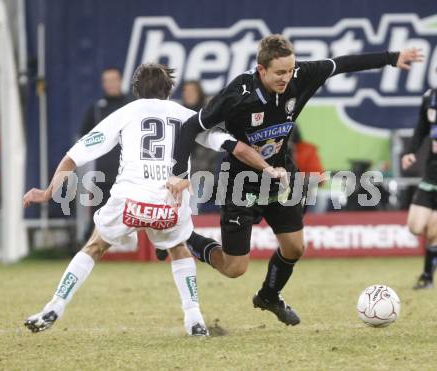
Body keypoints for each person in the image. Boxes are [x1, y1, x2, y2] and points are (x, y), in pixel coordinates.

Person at [169, 34, 423, 326]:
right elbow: (191, 127)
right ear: (260, 69)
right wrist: (179, 174)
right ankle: (185, 238)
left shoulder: (300, 76)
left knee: (295, 248)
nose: (286, 78)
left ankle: (268, 296)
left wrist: (391, 58)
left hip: (280, 178)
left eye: (289, 70)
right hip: (240, 185)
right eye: (279, 72)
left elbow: (342, 64)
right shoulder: (238, 93)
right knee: (234, 268)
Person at [23, 64, 218, 336]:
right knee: (179, 249)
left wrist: (46, 192)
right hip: (170, 202)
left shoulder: (125, 113)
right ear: (169, 89)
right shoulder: (187, 115)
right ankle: (194, 319)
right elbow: (223, 141)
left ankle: (55, 306)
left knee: (94, 246)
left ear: (136, 90)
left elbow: (74, 156)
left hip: (129, 200)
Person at [80, 67, 132, 240]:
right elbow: (84, 138)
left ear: (120, 81)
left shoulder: (132, 105)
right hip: (104, 172)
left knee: (139, 209)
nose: (110, 84)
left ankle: (158, 246)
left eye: (113, 79)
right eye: (106, 81)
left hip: (131, 172)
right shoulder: (96, 109)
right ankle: (86, 246)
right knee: (99, 214)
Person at [402, 86, 437, 289]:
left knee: (433, 230)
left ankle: (427, 277)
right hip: (431, 173)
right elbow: (421, 129)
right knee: (415, 227)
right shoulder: (429, 97)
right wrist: (411, 152)